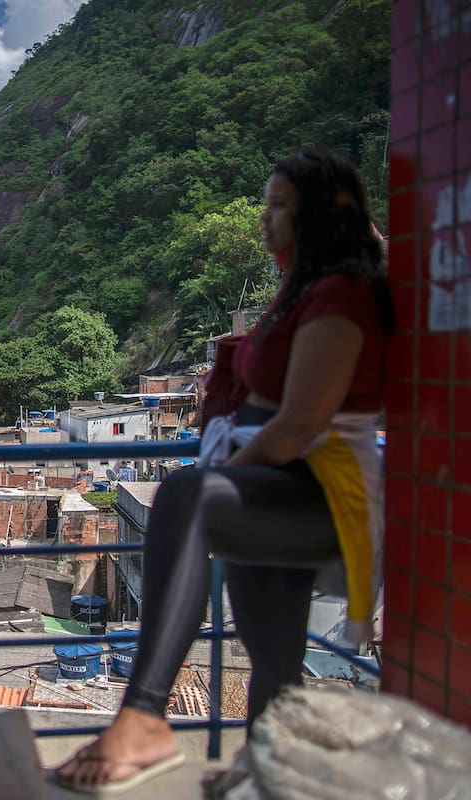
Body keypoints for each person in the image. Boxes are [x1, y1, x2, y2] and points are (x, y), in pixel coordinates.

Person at [56, 150, 392, 794]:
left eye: (280, 205)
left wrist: (227, 473)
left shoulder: (341, 294)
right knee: (273, 653)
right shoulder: (299, 293)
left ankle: (145, 715)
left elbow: (299, 424)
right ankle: (263, 772)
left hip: (321, 488)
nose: (265, 218)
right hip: (281, 483)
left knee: (189, 494)